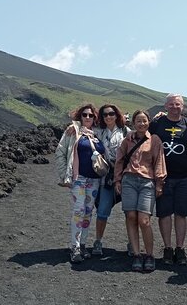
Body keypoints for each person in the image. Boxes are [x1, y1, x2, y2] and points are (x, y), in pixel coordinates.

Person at [149, 93, 187, 265]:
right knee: (164, 213)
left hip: (184, 175)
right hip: (162, 176)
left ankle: (180, 248)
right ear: (165, 106)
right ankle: (168, 248)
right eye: (171, 104)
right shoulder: (157, 123)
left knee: (181, 213)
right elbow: (145, 141)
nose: (174, 107)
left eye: (177, 104)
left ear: (182, 106)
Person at [54, 104, 107, 264]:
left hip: (95, 179)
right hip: (79, 178)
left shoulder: (98, 133)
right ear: (80, 116)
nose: (88, 118)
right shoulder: (72, 131)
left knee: (88, 212)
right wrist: (65, 175)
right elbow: (60, 152)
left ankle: (83, 244)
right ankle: (75, 247)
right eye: (85, 115)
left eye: (91, 115)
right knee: (79, 210)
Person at [115, 110, 166, 272]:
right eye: (138, 121)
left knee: (144, 220)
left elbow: (159, 161)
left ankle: (149, 254)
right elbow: (119, 160)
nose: (141, 123)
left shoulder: (155, 140)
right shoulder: (127, 140)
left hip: (147, 182)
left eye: (144, 120)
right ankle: (137, 254)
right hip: (129, 180)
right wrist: (117, 180)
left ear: (149, 122)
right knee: (130, 216)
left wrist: (159, 183)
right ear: (133, 123)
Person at [91, 104, 130, 256]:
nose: (108, 116)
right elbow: (81, 125)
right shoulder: (98, 132)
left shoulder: (126, 132)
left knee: (130, 212)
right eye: (105, 114)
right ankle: (98, 241)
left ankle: (132, 243)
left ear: (117, 114)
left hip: (125, 177)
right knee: (102, 210)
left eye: (111, 113)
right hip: (106, 178)